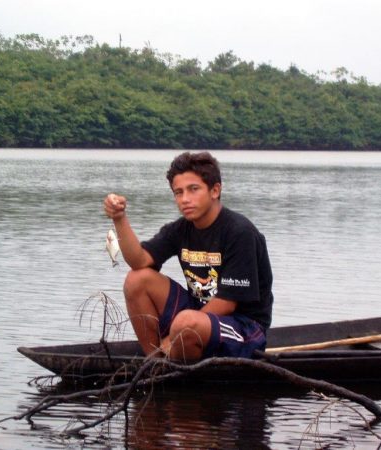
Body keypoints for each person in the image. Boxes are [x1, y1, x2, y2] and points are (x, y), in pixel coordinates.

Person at [104, 151, 273, 361]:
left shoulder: (239, 232)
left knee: (186, 324)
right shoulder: (180, 230)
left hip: (244, 327)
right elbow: (139, 261)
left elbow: (227, 303)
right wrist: (119, 218)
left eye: (193, 189)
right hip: (197, 315)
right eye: (178, 192)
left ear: (215, 190)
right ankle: (155, 364)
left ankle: (176, 360)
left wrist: (177, 334)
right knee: (136, 279)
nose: (185, 199)